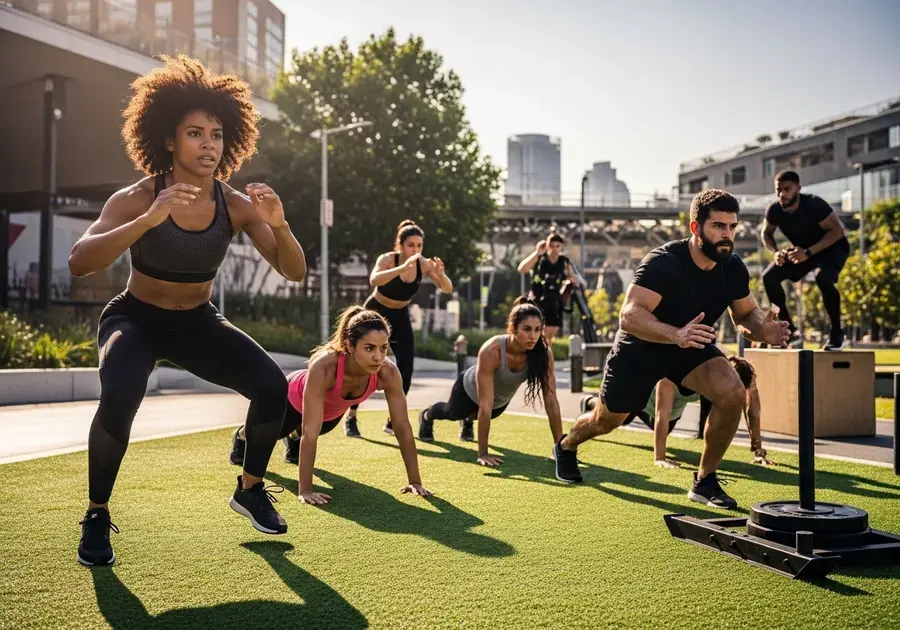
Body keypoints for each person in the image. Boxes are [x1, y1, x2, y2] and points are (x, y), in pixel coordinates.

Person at [67, 55, 307, 566]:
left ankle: (249, 487)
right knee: (121, 393)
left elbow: (295, 271)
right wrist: (150, 219)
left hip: (198, 323)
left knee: (272, 387)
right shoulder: (138, 197)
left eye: (216, 135)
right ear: (169, 140)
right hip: (135, 319)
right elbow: (79, 262)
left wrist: (280, 225)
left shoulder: (237, 204)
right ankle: (96, 513)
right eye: (195, 133)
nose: (208, 145)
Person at [553, 189, 789, 509]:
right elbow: (629, 316)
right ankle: (566, 446)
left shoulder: (732, 267)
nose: (727, 235)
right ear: (695, 228)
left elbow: (745, 314)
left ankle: (705, 480)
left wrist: (765, 329)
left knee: (733, 391)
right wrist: (674, 334)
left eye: (732, 227)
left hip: (690, 346)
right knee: (606, 420)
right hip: (641, 347)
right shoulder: (664, 262)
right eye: (718, 226)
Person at [228, 306, 432, 504]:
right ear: (350, 346)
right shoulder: (325, 366)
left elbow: (402, 427)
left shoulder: (388, 372)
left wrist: (415, 482)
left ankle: (293, 441)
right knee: (275, 432)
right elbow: (310, 431)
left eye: (383, 348)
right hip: (292, 399)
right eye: (369, 348)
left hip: (330, 411)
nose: (378, 356)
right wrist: (305, 490)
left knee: (319, 428)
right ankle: (242, 435)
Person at [418, 298, 563, 464]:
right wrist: (482, 453)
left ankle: (468, 421)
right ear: (512, 328)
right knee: (451, 413)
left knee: (482, 414)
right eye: (527, 329)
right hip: (468, 390)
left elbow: (551, 400)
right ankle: (427, 415)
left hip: (498, 403)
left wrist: (560, 450)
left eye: (538, 330)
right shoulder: (492, 350)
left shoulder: (543, 354)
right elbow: (485, 404)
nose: (533, 336)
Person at [342, 220, 453, 438]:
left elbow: (447, 288)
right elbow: (374, 279)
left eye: (419, 245)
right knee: (359, 365)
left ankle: (392, 421)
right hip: (375, 311)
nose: (416, 250)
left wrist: (440, 275)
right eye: (411, 245)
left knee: (406, 367)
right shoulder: (387, 259)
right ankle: (351, 417)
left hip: (400, 315)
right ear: (400, 245)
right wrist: (402, 268)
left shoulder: (423, 264)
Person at [580, 355, 774, 468]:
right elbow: (660, 413)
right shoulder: (679, 372)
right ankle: (591, 403)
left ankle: (598, 406)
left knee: (659, 426)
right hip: (642, 397)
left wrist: (758, 450)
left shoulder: (742, 374)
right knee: (617, 419)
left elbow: (752, 409)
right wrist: (660, 458)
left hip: (672, 413)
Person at [761, 170, 849, 350]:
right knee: (769, 277)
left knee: (823, 278)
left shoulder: (814, 205)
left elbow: (838, 231)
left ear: (798, 188)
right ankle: (789, 331)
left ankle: (837, 334)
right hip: (802, 251)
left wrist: (808, 253)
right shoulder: (775, 210)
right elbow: (766, 232)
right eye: (779, 189)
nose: (782, 194)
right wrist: (776, 252)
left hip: (832, 249)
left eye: (787, 189)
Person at [517, 232, 580, 343]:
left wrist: (569, 281)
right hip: (538, 300)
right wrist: (537, 253)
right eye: (551, 246)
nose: (554, 249)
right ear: (547, 246)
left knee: (548, 338)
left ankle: (546, 359)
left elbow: (575, 279)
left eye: (557, 246)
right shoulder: (540, 259)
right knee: (537, 335)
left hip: (554, 302)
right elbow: (522, 269)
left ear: (561, 247)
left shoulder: (564, 261)